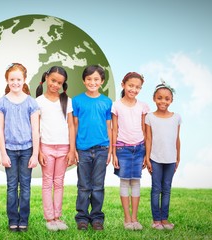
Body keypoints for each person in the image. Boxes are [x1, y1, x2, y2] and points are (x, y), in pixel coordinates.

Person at [0, 63, 39, 232]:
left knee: (26, 186)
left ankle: (24, 220)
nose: (15, 82)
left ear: (24, 80)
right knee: (12, 186)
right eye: (12, 79)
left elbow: (36, 130)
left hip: (27, 149)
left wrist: (35, 154)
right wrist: (3, 153)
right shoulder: (2, 103)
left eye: (18, 79)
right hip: (10, 151)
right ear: (7, 80)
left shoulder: (31, 103)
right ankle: (13, 219)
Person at [35, 66, 76, 231]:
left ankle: (58, 217)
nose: (55, 85)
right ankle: (49, 218)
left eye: (59, 83)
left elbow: (71, 126)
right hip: (46, 147)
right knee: (47, 183)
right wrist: (38, 151)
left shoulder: (67, 100)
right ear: (46, 78)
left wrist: (72, 150)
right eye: (53, 80)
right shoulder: (38, 102)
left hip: (64, 147)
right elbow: (36, 128)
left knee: (59, 182)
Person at [72, 65, 112, 231]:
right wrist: (73, 149)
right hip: (83, 149)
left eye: (96, 79)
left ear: (102, 82)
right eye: (89, 79)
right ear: (83, 80)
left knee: (98, 186)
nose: (92, 82)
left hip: (102, 149)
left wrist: (110, 150)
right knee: (83, 186)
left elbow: (109, 126)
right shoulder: (77, 100)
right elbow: (74, 126)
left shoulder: (107, 102)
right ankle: (82, 218)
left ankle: (96, 218)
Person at [111, 72, 149, 230]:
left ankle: (135, 218)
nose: (134, 89)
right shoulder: (116, 105)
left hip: (139, 148)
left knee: (136, 182)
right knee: (125, 182)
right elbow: (114, 130)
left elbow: (145, 130)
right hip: (122, 148)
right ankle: (127, 219)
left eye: (138, 87)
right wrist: (113, 153)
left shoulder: (143, 106)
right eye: (131, 85)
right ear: (123, 85)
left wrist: (147, 153)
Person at [145, 81, 181, 230]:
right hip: (155, 158)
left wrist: (178, 157)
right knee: (156, 189)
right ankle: (156, 220)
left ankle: (164, 219)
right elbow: (148, 138)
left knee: (167, 189)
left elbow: (177, 138)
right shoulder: (149, 117)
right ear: (154, 98)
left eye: (167, 99)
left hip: (171, 159)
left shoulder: (176, 117)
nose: (163, 101)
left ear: (171, 100)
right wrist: (147, 158)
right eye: (160, 98)